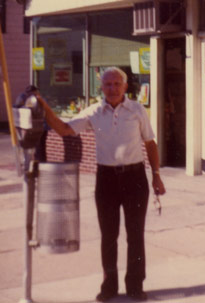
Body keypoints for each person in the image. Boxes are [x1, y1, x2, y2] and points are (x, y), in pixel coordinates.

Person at [36, 67, 166, 302]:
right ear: (101, 88)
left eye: (117, 84)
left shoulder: (137, 110)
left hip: (135, 178)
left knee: (135, 235)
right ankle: (109, 286)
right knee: (109, 235)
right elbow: (64, 129)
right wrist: (43, 106)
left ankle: (135, 285)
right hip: (106, 179)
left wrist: (156, 175)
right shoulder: (94, 112)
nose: (113, 88)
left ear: (126, 87)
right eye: (108, 84)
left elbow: (150, 143)